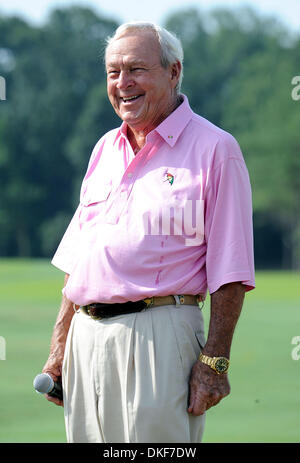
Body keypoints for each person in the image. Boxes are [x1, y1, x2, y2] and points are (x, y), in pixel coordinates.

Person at [42, 21, 255, 443]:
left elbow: (231, 270)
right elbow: (80, 259)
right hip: (86, 338)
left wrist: (215, 363)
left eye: (136, 69)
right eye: (113, 72)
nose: (123, 83)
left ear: (173, 72)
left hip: (161, 333)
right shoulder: (104, 148)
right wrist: (59, 348)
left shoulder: (216, 148)